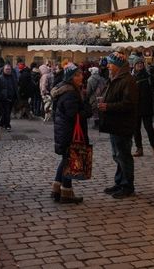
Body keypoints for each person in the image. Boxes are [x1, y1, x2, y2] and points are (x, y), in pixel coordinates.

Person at [98, 51, 139, 199]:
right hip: (115, 123)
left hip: (123, 124)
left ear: (118, 66)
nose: (108, 66)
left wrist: (108, 106)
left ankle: (127, 186)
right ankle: (119, 182)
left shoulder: (128, 80)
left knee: (123, 156)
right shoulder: (116, 78)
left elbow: (129, 104)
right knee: (117, 155)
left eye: (111, 64)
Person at [51, 63, 90, 204]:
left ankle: (56, 189)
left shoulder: (66, 89)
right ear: (72, 77)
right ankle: (66, 193)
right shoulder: (70, 93)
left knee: (65, 159)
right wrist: (87, 110)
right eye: (79, 75)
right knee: (68, 161)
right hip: (69, 132)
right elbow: (73, 114)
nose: (82, 77)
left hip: (64, 131)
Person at [132, 58, 154, 157]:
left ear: (143, 65)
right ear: (134, 66)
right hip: (135, 107)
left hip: (146, 107)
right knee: (136, 129)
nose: (139, 65)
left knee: (149, 128)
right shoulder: (132, 78)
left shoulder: (149, 77)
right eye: (137, 63)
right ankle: (139, 149)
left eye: (141, 63)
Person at [0, 64, 18, 131]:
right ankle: (7, 125)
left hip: (12, 98)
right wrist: (0, 97)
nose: (8, 70)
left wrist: (16, 95)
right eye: (6, 69)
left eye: (9, 69)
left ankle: (2, 123)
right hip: (3, 99)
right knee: (6, 112)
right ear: (3, 70)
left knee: (7, 112)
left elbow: (15, 87)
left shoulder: (13, 77)